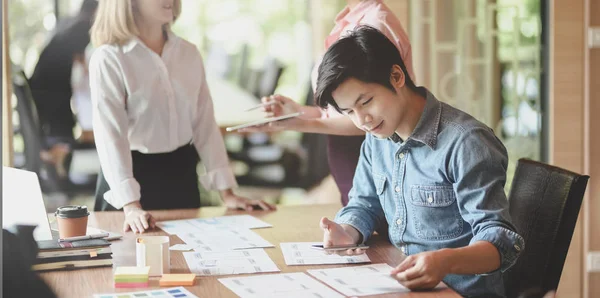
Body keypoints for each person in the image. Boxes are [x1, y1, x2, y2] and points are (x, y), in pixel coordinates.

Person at [315, 26, 524, 298]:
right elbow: (364, 204)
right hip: (402, 286)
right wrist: (347, 231)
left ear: (396, 76)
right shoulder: (377, 138)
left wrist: (444, 261)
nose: (362, 120)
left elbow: (501, 241)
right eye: (349, 112)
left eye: (365, 101)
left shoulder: (466, 143)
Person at [89, 0, 275, 234]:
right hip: (126, 184)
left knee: (187, 265)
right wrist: (131, 206)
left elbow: (204, 125)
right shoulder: (109, 58)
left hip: (181, 175)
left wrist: (227, 193)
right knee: (129, 266)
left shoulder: (189, 53)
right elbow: (111, 138)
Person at [241, 0, 414, 206]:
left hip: (367, 157)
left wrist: (301, 124)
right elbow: (343, 110)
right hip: (352, 159)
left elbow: (371, 118)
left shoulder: (375, 23)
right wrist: (297, 112)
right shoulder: (349, 20)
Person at [29, 0, 98, 145]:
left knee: (61, 120)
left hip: (42, 78)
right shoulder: (84, 24)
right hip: (51, 84)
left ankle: (61, 152)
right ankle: (63, 155)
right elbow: (79, 56)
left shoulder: (70, 21)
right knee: (62, 123)